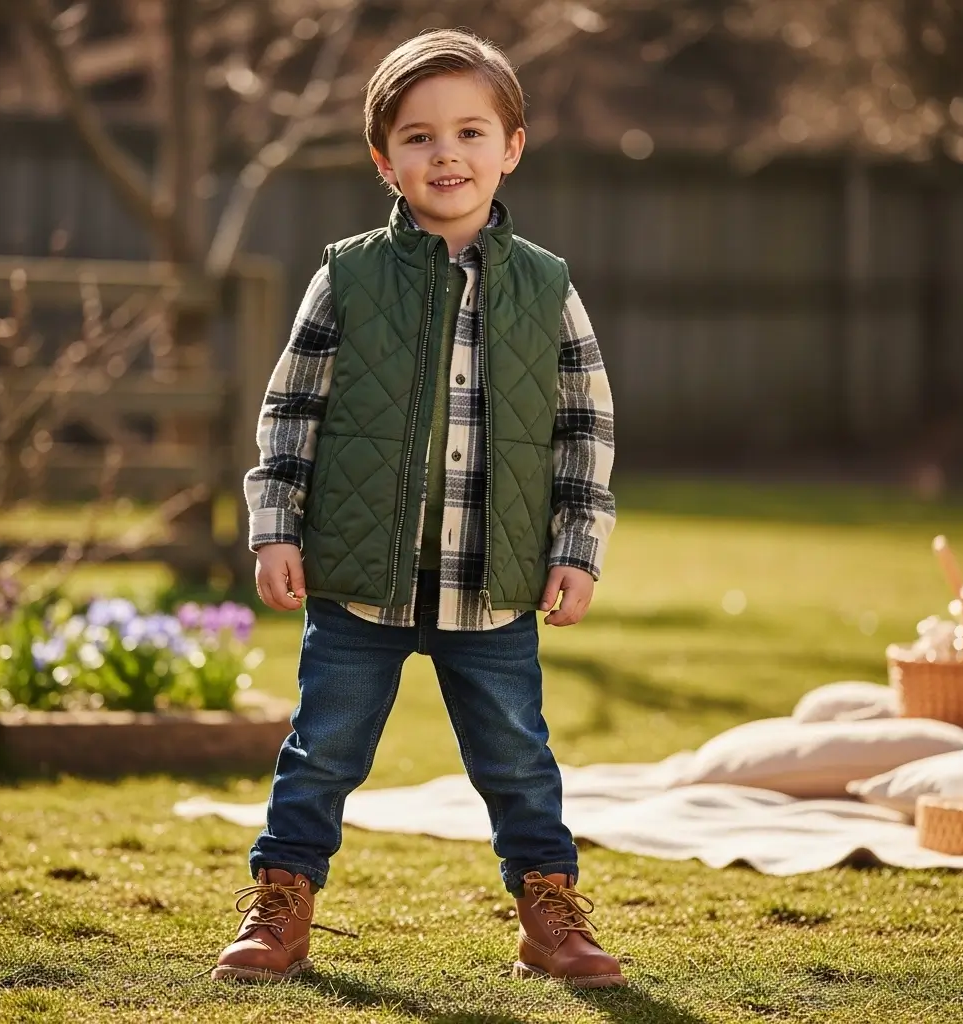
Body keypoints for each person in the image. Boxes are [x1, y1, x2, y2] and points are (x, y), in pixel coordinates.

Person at [213, 28, 620, 988]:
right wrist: (275, 527)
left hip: (497, 583)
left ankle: (549, 915)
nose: (447, 155)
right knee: (321, 754)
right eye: (419, 138)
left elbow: (585, 427)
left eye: (472, 132)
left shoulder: (548, 286)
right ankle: (282, 908)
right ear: (383, 160)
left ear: (512, 146)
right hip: (359, 586)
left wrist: (578, 548)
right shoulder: (346, 276)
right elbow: (290, 411)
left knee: (519, 763)